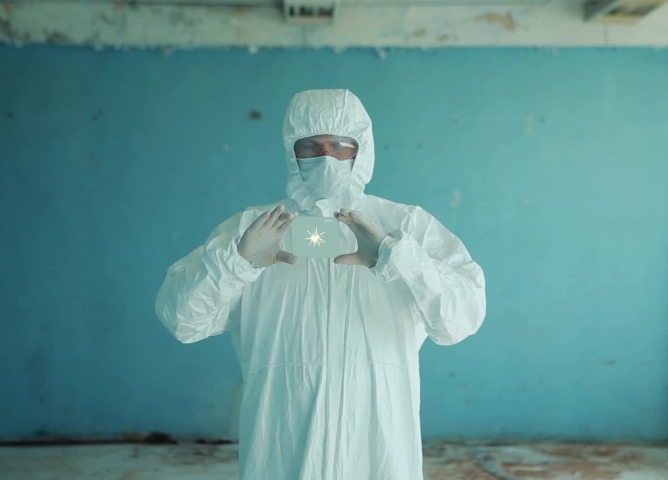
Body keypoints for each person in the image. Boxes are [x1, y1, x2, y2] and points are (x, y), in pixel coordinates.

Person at [155, 89, 486, 480]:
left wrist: (400, 258)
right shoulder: (254, 229)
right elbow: (182, 320)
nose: (326, 158)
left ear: (362, 149)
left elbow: (462, 318)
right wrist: (236, 263)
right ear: (291, 151)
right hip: (283, 433)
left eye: (341, 146)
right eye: (310, 146)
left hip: (378, 436)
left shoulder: (406, 225)